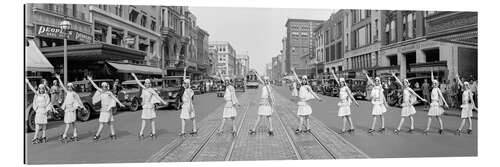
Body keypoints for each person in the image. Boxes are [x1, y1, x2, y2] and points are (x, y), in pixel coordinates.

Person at [88, 76, 125, 141]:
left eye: (105, 86)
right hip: (103, 109)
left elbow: (115, 98)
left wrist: (120, 103)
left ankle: (97, 135)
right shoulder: (101, 91)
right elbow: (95, 86)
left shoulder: (109, 93)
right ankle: (113, 135)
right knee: (110, 123)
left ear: (107, 87)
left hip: (107, 110)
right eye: (103, 86)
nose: (104, 87)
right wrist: (91, 80)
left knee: (102, 123)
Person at [131, 73, 167, 139]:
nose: (147, 84)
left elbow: (157, 96)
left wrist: (163, 102)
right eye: (146, 83)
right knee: (144, 120)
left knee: (152, 120)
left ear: (150, 84)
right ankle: (141, 133)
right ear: (145, 83)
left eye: (148, 83)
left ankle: (153, 133)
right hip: (145, 106)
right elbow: (138, 83)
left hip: (150, 106)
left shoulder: (151, 90)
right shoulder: (144, 88)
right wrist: (135, 76)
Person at [55, 74, 84, 143]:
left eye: (70, 87)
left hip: (71, 110)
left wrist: (82, 107)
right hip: (67, 110)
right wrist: (59, 79)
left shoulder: (74, 93)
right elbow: (62, 86)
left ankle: (64, 136)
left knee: (68, 124)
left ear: (72, 87)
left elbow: (78, 100)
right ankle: (75, 136)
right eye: (68, 87)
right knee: (73, 123)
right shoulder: (68, 93)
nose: (69, 88)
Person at [292, 68, 322, 134]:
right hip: (301, 103)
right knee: (305, 117)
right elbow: (297, 78)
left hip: (305, 104)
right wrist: (294, 72)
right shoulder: (301, 85)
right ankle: (308, 128)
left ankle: (300, 129)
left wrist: (318, 98)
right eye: (303, 79)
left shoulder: (307, 86)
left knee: (303, 117)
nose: (304, 80)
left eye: (305, 79)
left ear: (306, 80)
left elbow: (312, 93)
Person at [26, 79, 51, 144]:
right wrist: (28, 82)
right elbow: (32, 89)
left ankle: (39, 137)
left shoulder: (45, 95)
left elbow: (48, 103)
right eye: (40, 89)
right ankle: (42, 137)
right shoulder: (40, 94)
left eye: (42, 88)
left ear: (43, 89)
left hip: (42, 111)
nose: (41, 90)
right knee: (40, 124)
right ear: (39, 89)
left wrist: (48, 110)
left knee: (41, 125)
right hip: (40, 111)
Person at [179, 67, 198, 136]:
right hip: (188, 105)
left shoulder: (188, 90)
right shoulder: (187, 89)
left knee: (184, 118)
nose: (183, 84)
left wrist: (189, 107)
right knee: (191, 118)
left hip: (187, 106)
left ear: (187, 84)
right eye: (183, 83)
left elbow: (190, 100)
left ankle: (183, 132)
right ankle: (194, 130)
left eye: (185, 83)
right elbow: (184, 79)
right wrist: (184, 71)